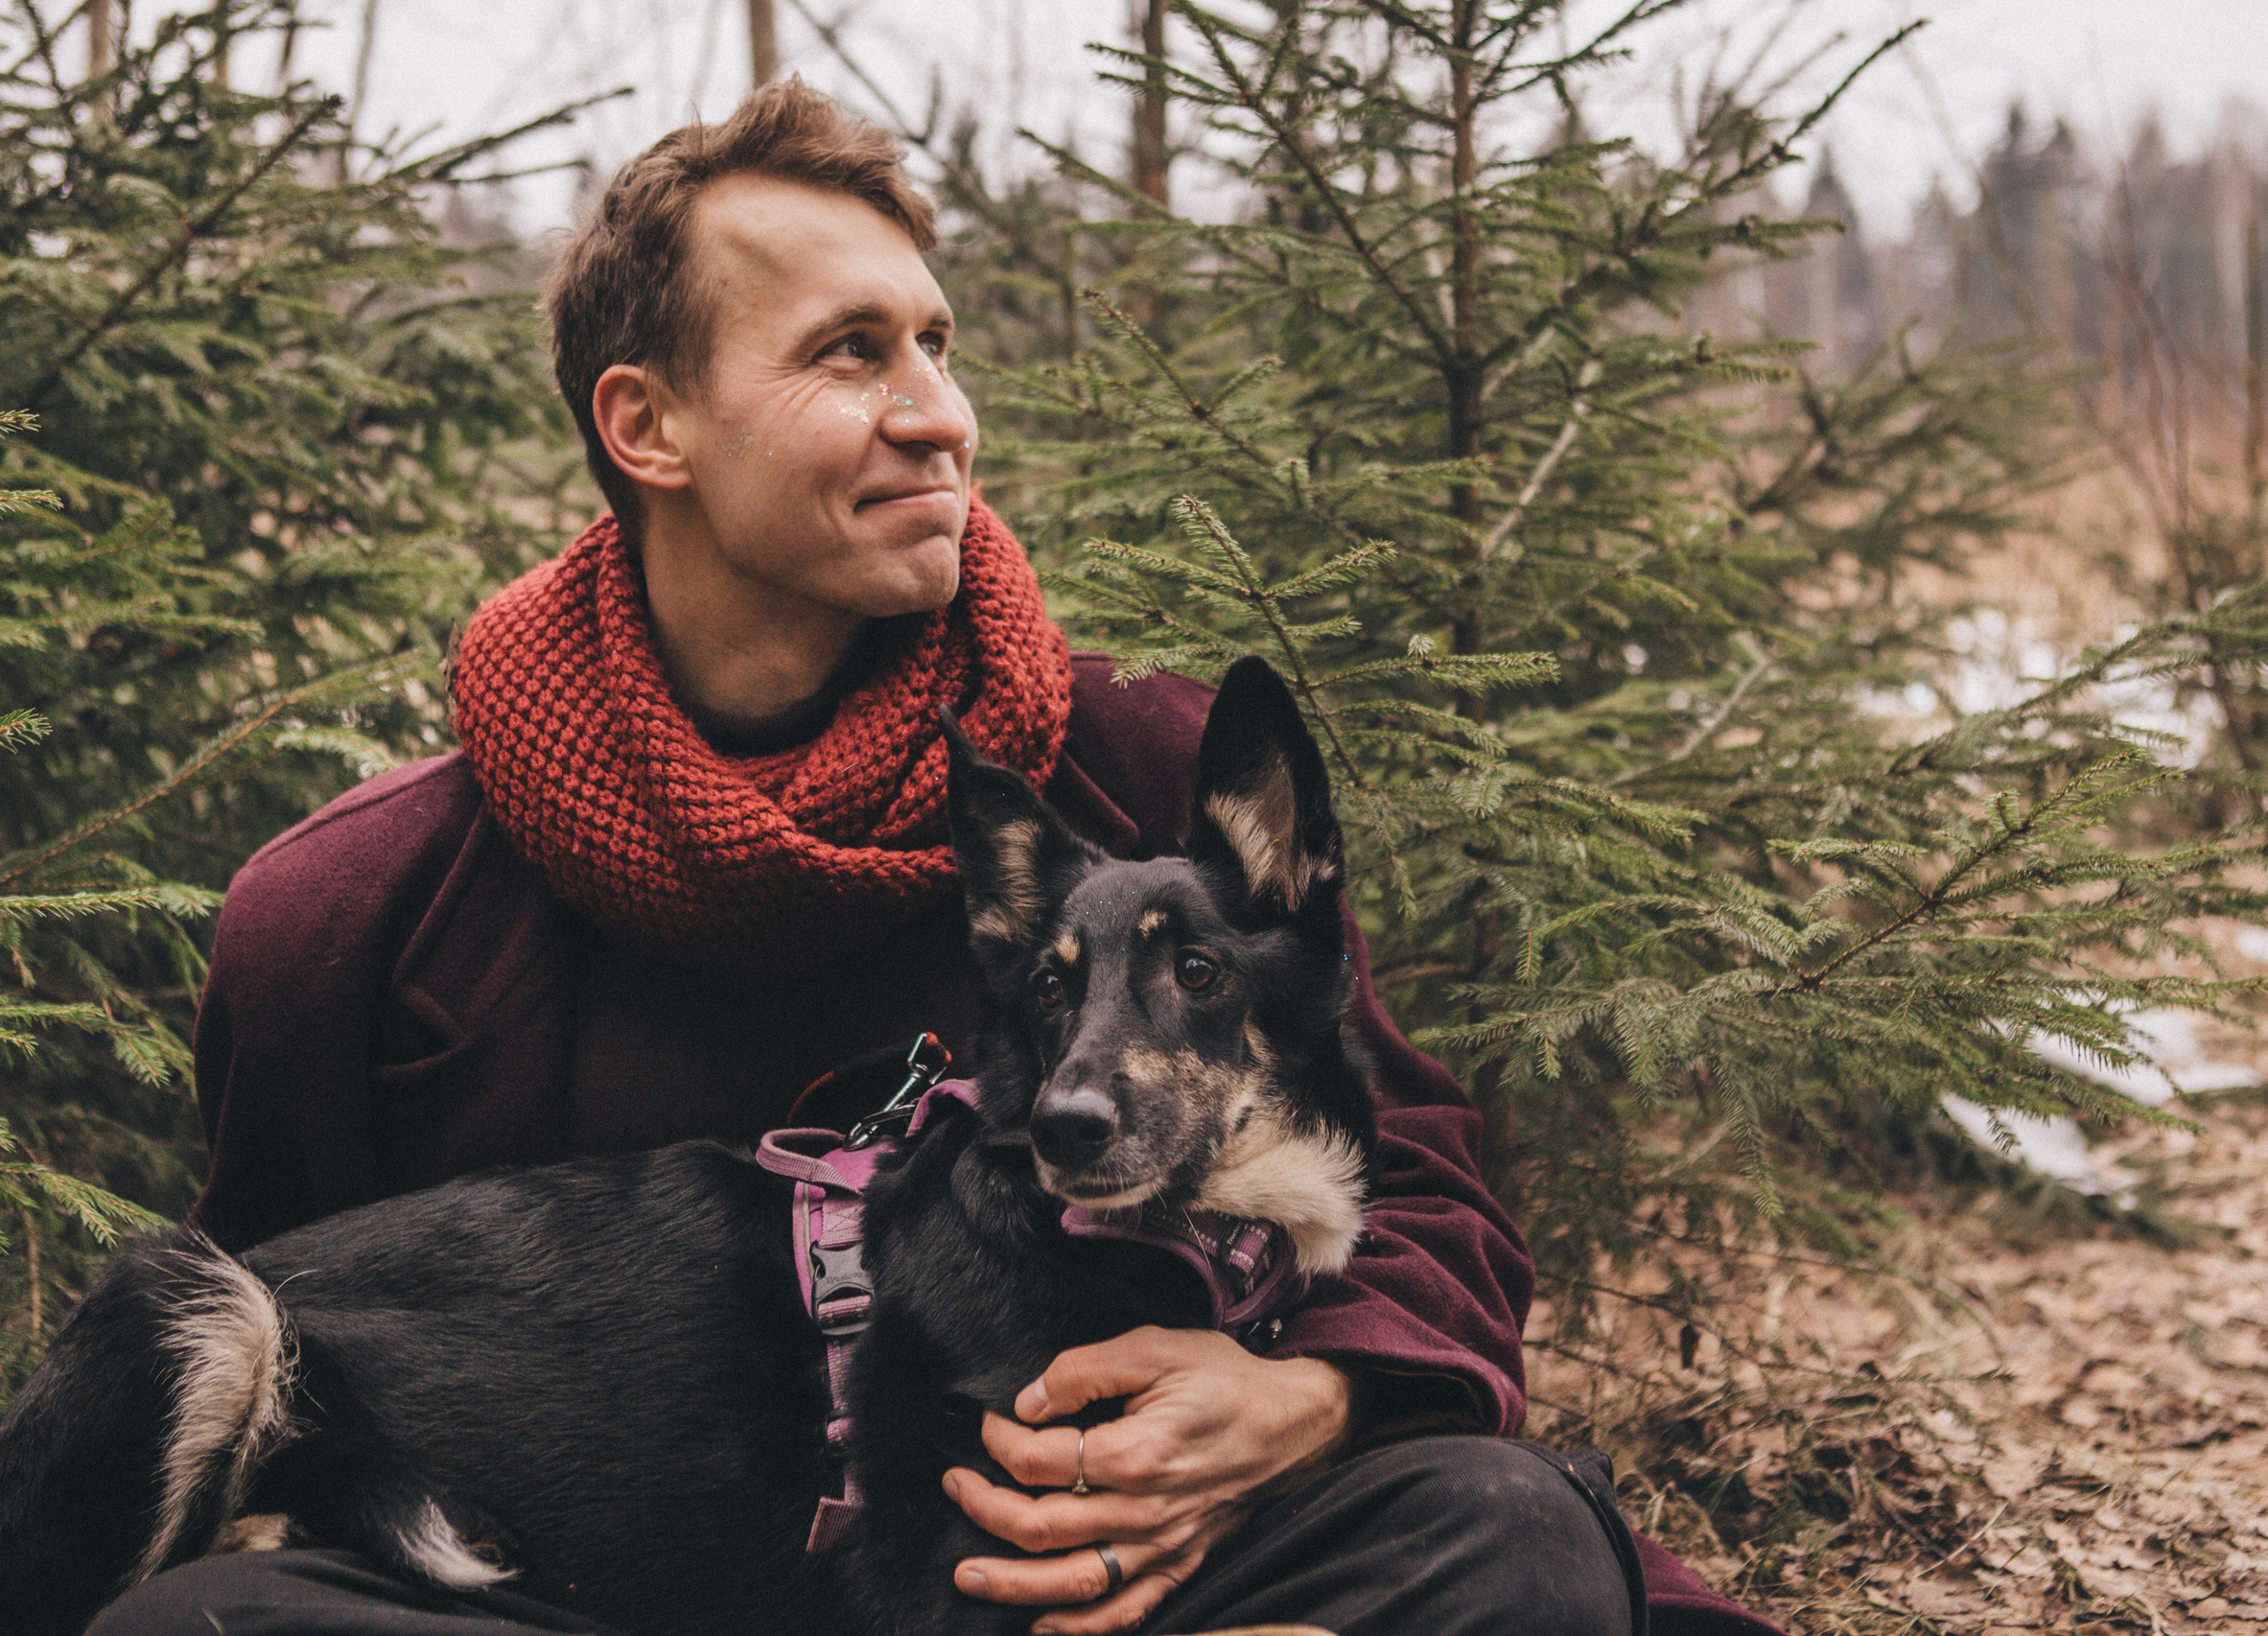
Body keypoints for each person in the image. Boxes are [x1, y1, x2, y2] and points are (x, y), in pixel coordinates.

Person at [90, 81, 1782, 1636]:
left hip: (1075, 1571)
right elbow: (292, 1351)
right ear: (648, 425)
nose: (940, 416)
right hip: (586, 1588)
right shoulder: (359, 914)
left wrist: (1311, 1392)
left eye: (938, 343)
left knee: (1503, 1528)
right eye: (851, 354)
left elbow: (1425, 1191)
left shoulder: (1136, 772)